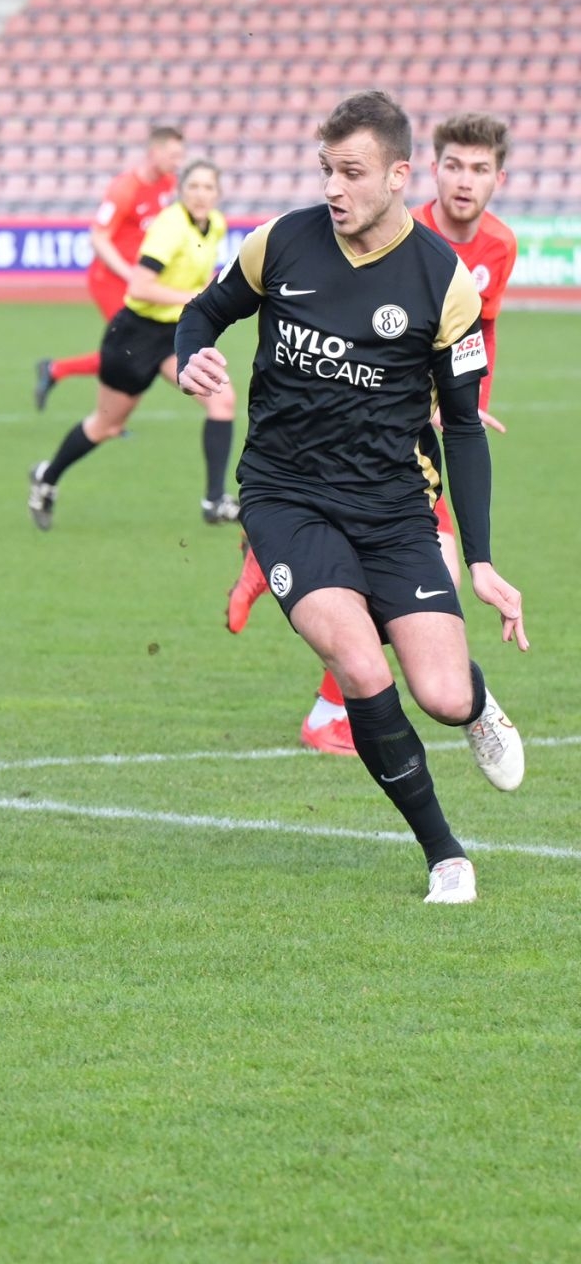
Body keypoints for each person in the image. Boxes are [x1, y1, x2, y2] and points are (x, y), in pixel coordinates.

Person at [175, 91, 526, 906]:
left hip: (394, 504)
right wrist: (192, 355)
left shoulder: (443, 282)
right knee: (361, 665)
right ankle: (445, 854)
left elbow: (463, 427)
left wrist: (480, 561)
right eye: (326, 169)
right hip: (286, 496)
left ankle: (477, 704)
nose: (333, 187)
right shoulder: (280, 241)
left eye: (352, 172)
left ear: (398, 177)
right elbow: (203, 312)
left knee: (441, 694)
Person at [228, 112, 517, 757]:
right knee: (362, 603)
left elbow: (478, 334)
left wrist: (468, 400)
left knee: (426, 606)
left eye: (478, 169)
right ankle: (331, 704)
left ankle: (457, 697)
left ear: (499, 179)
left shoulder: (498, 246)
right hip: (345, 458)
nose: (463, 181)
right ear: (424, 172)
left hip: (408, 459)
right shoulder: (384, 230)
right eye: (453, 166)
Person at [26, 160, 239, 530]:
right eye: (193, 187)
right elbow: (140, 287)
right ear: (180, 191)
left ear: (219, 194)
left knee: (222, 400)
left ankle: (214, 501)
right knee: (105, 426)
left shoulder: (216, 224)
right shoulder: (169, 227)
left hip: (173, 334)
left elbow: (203, 274)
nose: (201, 194)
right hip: (134, 337)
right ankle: (47, 477)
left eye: (208, 187)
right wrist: (195, 298)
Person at [35, 126, 186, 411]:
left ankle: (61, 375)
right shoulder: (124, 188)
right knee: (133, 347)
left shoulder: (168, 183)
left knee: (134, 349)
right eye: (173, 155)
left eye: (181, 155)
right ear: (154, 152)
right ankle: (99, 410)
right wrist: (129, 273)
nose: (178, 162)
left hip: (139, 280)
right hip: (111, 279)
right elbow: (98, 237)